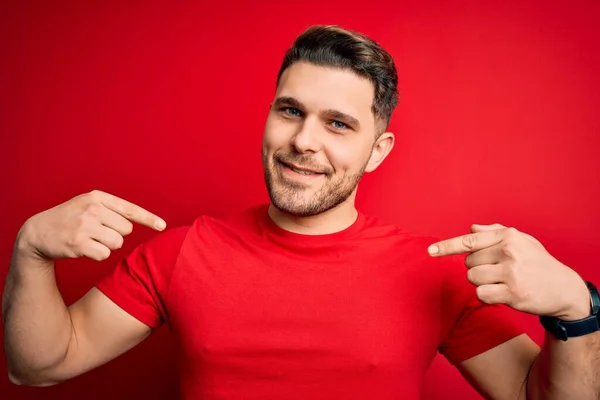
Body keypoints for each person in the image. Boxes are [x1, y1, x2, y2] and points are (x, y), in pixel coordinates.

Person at [3, 25, 599, 400]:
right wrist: (30, 252)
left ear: (377, 151)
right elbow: (41, 366)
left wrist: (578, 308)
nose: (304, 141)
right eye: (290, 111)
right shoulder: (182, 251)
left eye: (338, 124)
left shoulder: (435, 272)